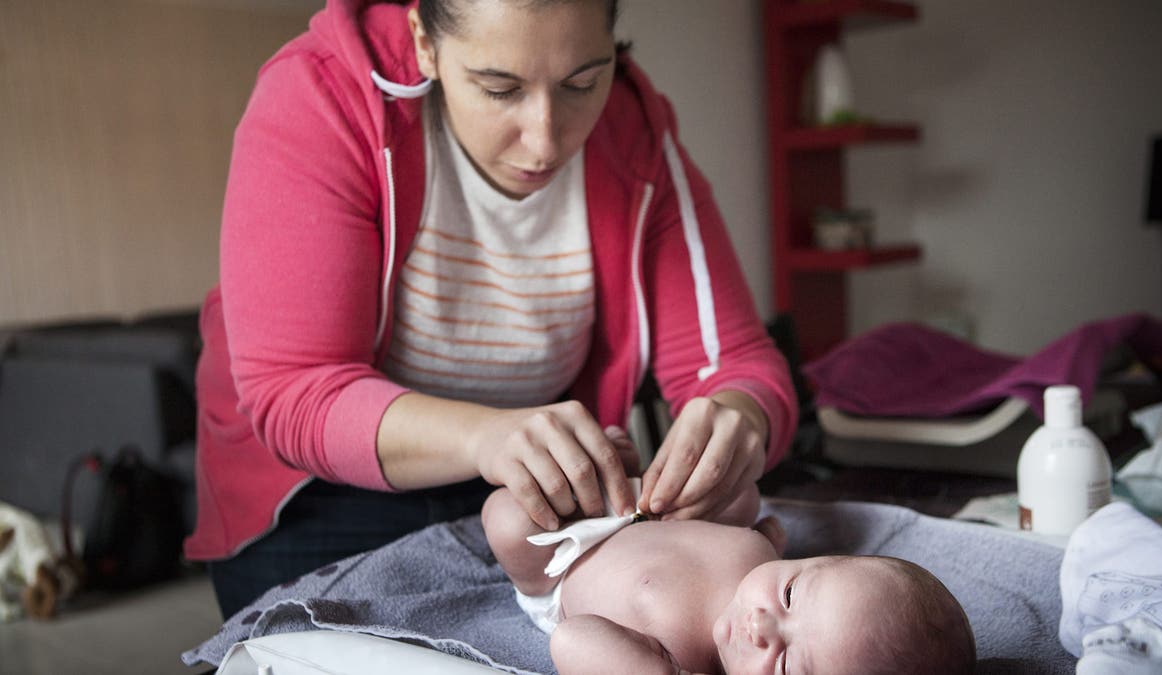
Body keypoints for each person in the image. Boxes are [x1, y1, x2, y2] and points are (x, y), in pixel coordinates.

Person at [185, 0, 799, 620]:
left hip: (524, 491)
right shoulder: (322, 97)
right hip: (319, 500)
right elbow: (297, 390)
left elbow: (738, 364)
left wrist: (739, 419)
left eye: (581, 83)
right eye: (500, 89)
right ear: (425, 42)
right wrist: (488, 434)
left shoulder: (634, 133)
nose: (545, 139)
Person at [482, 481, 977, 675]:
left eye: (784, 665)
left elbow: (570, 638)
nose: (762, 627)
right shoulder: (759, 556)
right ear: (818, 558)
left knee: (506, 518)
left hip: (561, 564)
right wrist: (763, 536)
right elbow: (734, 532)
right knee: (738, 492)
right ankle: (619, 470)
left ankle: (598, 477)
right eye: (790, 592)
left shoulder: (686, 659)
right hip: (639, 513)